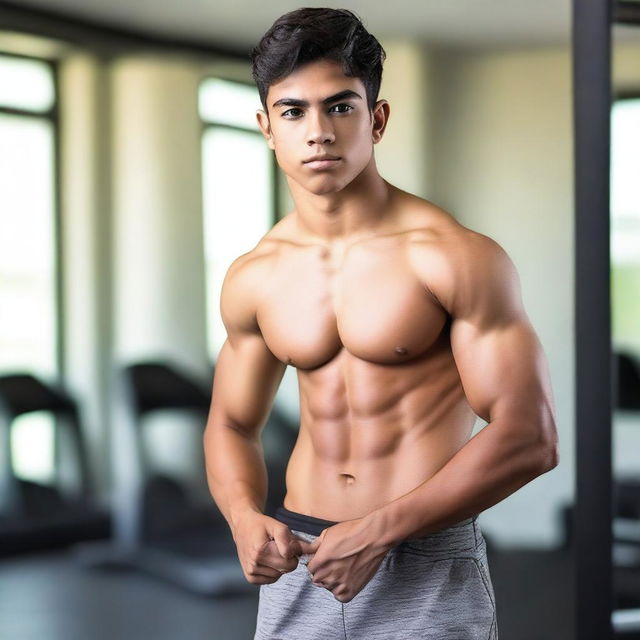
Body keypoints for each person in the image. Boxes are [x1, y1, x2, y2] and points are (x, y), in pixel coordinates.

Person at [203, 7, 559, 640]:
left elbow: (530, 436)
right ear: (266, 127)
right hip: (301, 561)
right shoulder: (256, 275)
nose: (318, 132)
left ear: (378, 118)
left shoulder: (452, 255)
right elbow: (231, 422)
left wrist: (381, 529)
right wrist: (240, 515)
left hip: (421, 564)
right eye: (293, 112)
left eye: (340, 107)